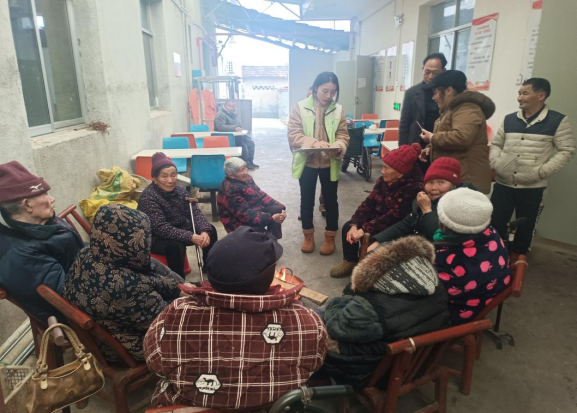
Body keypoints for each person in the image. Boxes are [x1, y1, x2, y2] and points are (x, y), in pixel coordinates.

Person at [143, 226, 327, 410]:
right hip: (275, 407)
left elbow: (154, 362)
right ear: (269, 275)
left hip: (192, 407)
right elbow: (314, 364)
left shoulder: (176, 314)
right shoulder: (306, 321)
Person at [319, 235, 450, 390]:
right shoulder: (437, 288)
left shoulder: (370, 308)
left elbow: (336, 325)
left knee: (313, 320)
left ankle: (316, 379)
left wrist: (338, 301)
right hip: (418, 364)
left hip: (375, 372)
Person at [63, 204, 188, 363]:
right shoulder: (126, 288)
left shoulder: (88, 253)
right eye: (144, 238)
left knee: (156, 267)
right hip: (126, 347)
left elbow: (146, 278)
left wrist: (177, 289)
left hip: (110, 326)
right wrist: (188, 299)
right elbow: (169, 323)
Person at [490, 78, 575, 254]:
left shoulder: (557, 120)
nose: (519, 98)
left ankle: (519, 262)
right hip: (503, 184)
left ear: (541, 96)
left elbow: (567, 150)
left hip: (532, 187)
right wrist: (496, 164)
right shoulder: (509, 119)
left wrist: (541, 172)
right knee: (495, 224)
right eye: (519, 93)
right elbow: (496, 144)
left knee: (525, 230)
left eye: (524, 93)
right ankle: (493, 259)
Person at [0, 161, 83, 323]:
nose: (52, 199)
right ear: (27, 205)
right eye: (45, 194)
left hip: (84, 280)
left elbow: (74, 254)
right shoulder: (20, 255)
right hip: (77, 318)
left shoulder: (43, 222)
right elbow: (71, 298)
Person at [330, 144, 424, 278]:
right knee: (347, 227)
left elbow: (394, 216)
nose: (382, 171)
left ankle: (368, 271)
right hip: (377, 220)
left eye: (386, 167)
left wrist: (364, 228)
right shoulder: (383, 181)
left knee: (371, 240)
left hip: (393, 227)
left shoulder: (413, 188)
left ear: (400, 172)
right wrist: (355, 224)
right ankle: (350, 261)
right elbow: (368, 204)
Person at [288, 72, 349, 255]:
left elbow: (343, 134)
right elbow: (294, 134)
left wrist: (338, 146)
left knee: (331, 201)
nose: (329, 96)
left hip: (330, 163)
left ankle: (330, 237)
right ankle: (308, 236)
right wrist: (313, 143)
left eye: (333, 92)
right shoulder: (300, 107)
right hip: (307, 163)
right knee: (306, 200)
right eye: (325, 91)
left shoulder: (338, 109)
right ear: (315, 88)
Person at [434, 188, 510, 325]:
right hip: (481, 297)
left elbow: (430, 291)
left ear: (443, 222)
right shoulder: (491, 233)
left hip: (454, 313)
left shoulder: (449, 258)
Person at [137, 152, 217, 277]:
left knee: (211, 230)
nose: (170, 180)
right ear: (155, 178)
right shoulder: (148, 197)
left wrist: (204, 231)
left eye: (173, 175)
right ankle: (178, 280)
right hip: (155, 237)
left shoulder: (181, 191)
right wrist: (190, 236)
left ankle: (209, 268)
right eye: (164, 176)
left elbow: (195, 213)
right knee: (175, 245)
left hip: (179, 228)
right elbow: (161, 228)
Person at [420, 70, 494, 194]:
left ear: (449, 90)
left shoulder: (467, 109)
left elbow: (461, 137)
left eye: (435, 93)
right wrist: (430, 148)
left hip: (468, 181)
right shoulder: (451, 110)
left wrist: (432, 138)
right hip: (456, 178)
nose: (433, 98)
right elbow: (447, 138)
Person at [367, 157, 462, 252]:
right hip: (416, 246)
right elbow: (406, 223)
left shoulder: (459, 207)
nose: (434, 188)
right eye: (430, 182)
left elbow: (442, 237)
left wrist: (427, 211)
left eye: (441, 182)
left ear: (453, 185)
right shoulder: (425, 199)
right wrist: (379, 240)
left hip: (437, 253)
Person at [399, 53, 447, 173]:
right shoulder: (412, 93)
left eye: (435, 73)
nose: (430, 76)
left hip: (440, 145)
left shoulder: (448, 93)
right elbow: (404, 123)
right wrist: (402, 150)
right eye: (427, 71)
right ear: (422, 69)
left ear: (443, 70)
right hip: (416, 144)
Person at [217, 157, 286, 238]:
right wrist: (270, 218)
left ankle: (273, 239)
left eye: (245, 167)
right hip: (238, 223)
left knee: (277, 209)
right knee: (265, 238)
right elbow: (245, 215)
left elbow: (261, 195)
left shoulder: (246, 178)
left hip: (253, 211)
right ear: (231, 175)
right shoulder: (229, 189)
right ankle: (267, 239)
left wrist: (282, 208)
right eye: (242, 170)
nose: (246, 171)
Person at [215, 100, 258, 170]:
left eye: (233, 106)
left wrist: (239, 128)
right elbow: (220, 127)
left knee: (250, 142)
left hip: (237, 136)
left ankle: (250, 161)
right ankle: (245, 164)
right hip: (227, 137)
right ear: (225, 105)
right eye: (229, 106)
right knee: (242, 145)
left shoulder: (235, 114)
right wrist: (235, 128)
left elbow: (240, 125)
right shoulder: (220, 114)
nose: (231, 108)